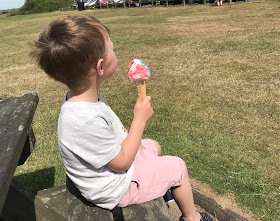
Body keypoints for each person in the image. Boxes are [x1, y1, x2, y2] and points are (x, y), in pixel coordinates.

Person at [31, 16, 213, 221]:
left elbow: (114, 133)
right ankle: (192, 217)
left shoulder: (84, 98)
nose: (116, 54)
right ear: (100, 67)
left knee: (154, 146)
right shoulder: (84, 120)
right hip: (115, 187)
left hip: (112, 170)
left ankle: (161, 184)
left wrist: (139, 142)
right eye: (112, 50)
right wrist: (139, 121)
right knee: (178, 166)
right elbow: (121, 163)